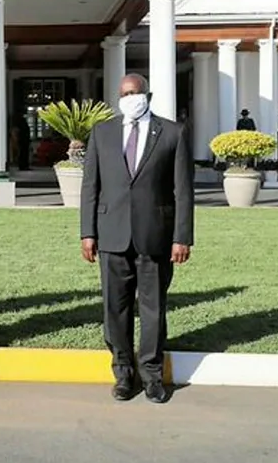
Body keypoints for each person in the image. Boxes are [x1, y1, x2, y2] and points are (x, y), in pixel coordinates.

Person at [80, 74, 194, 404]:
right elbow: (91, 187)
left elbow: (182, 191)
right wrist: (87, 232)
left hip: (155, 236)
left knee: (153, 308)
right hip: (111, 235)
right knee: (115, 309)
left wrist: (181, 236)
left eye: (135, 92)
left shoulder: (172, 132)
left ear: (148, 94)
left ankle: (152, 375)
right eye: (124, 93)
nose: (130, 97)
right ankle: (123, 372)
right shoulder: (102, 133)